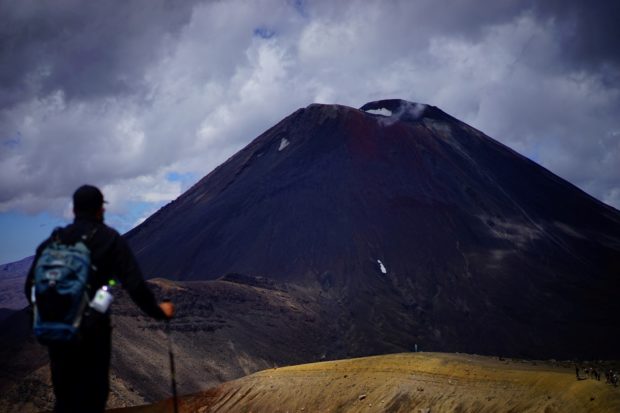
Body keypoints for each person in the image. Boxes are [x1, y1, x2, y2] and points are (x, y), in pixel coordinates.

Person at [24, 185, 175, 413]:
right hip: (92, 333)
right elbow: (134, 285)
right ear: (99, 210)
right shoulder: (108, 239)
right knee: (93, 398)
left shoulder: (53, 242)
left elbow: (30, 287)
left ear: (74, 209)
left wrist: (51, 314)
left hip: (57, 334)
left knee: (64, 398)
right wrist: (159, 311)